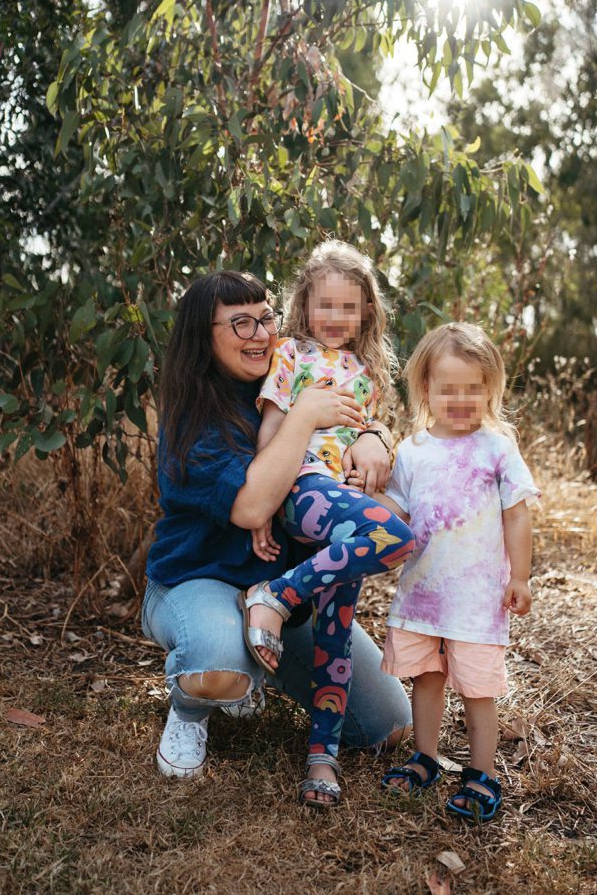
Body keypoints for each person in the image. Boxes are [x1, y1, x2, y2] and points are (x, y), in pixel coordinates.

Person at [141, 269, 412, 800]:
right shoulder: (193, 415)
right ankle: (192, 708)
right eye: (239, 323)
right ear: (203, 334)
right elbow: (251, 507)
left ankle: (259, 658)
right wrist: (306, 413)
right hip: (202, 579)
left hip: (289, 593)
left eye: (265, 317)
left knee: (388, 724)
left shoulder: (293, 360)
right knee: (220, 667)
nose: (260, 333)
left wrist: (377, 437)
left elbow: (357, 409)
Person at [238, 241, 415, 808]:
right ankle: (276, 594)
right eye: (325, 305)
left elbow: (367, 436)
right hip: (302, 488)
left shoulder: (367, 373)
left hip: (343, 501)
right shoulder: (289, 354)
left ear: (366, 313)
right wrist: (263, 507)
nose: (336, 318)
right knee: (395, 536)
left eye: (348, 308)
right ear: (304, 304)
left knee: (336, 633)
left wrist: (376, 443)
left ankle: (322, 757)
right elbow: (270, 433)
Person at [378, 322, 540, 823]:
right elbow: (395, 511)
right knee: (426, 679)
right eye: (450, 388)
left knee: (476, 688)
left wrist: (520, 577)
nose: (462, 399)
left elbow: (517, 513)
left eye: (475, 388)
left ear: (490, 389)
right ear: (426, 388)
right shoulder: (412, 452)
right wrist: (362, 500)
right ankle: (424, 757)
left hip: (476, 599)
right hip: (423, 595)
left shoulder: (497, 449)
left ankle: (481, 773)